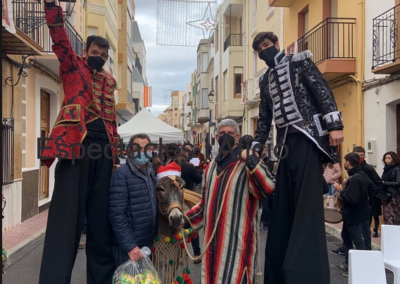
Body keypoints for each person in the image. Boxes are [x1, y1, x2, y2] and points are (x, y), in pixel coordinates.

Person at [252, 31, 344, 284]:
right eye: (259, 49)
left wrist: (335, 124)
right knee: (282, 206)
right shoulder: (265, 81)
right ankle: (280, 271)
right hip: (284, 147)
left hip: (308, 138)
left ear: (277, 44)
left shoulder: (300, 61)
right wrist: (258, 144)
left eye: (267, 45)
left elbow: (322, 90)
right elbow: (264, 117)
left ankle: (304, 272)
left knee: (305, 206)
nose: (264, 51)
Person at [39, 1, 118, 283]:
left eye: (104, 54)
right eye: (95, 52)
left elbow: (112, 122)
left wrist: (115, 157)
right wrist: (52, 7)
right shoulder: (73, 67)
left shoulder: (110, 82)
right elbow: (59, 37)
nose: (99, 57)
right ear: (86, 52)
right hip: (77, 147)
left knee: (100, 223)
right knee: (66, 222)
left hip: (105, 151)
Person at [181, 119, 275, 284]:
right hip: (212, 251)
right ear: (216, 137)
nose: (226, 137)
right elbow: (205, 205)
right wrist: (184, 220)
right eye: (222, 134)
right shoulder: (209, 168)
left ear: (237, 137)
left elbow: (267, 188)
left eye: (230, 134)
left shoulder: (246, 165)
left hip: (238, 252)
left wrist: (250, 158)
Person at [109, 134, 158, 267]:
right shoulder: (121, 175)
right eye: (138, 148)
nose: (143, 152)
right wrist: (130, 246)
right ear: (130, 151)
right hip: (130, 248)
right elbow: (117, 214)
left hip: (147, 243)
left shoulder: (150, 171)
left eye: (146, 148)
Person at [332, 153, 370, 274]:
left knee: (357, 241)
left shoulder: (355, 178)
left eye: (345, 161)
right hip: (354, 214)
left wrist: (341, 190)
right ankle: (348, 265)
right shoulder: (361, 176)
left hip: (354, 215)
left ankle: (363, 268)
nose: (344, 163)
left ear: (348, 162)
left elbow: (352, 199)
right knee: (346, 238)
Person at [353, 146, 383, 237]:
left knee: (370, 218)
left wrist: (370, 195)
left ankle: (369, 235)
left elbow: (379, 183)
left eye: (361, 155)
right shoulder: (354, 168)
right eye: (357, 155)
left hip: (370, 199)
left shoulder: (368, 169)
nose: (360, 157)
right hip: (359, 199)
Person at [180, 146, 203, 264]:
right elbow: (199, 179)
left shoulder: (166, 167)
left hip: (174, 202)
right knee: (192, 226)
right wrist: (196, 170)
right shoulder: (189, 166)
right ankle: (197, 253)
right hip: (188, 199)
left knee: (176, 228)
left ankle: (179, 255)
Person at [381, 151, 400, 225]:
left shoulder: (396, 169)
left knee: (393, 216)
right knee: (386, 216)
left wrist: (385, 183)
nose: (387, 160)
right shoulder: (385, 169)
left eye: (389, 158)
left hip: (394, 196)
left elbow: (398, 182)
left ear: (393, 159)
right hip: (386, 196)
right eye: (385, 158)